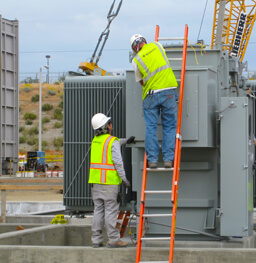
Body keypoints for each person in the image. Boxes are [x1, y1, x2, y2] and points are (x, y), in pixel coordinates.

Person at [130, 34, 178, 169]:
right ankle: (168, 159)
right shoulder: (157, 45)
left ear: (134, 48)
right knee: (169, 126)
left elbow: (141, 81)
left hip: (151, 95)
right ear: (144, 41)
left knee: (151, 127)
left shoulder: (136, 60)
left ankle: (152, 161)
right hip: (168, 91)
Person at [89, 113, 135, 248]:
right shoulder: (111, 141)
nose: (111, 124)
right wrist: (125, 180)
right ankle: (114, 239)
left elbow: (113, 142)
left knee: (98, 211)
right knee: (110, 211)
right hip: (109, 183)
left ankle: (96, 240)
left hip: (95, 183)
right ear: (107, 126)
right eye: (109, 122)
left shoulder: (95, 141)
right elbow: (118, 163)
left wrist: (125, 141)